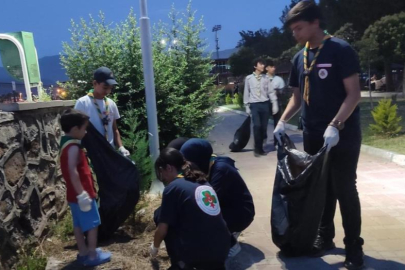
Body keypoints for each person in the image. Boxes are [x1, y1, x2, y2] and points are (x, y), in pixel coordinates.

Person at [274, 1, 364, 269]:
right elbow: (298, 98)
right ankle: (325, 237)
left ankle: (353, 249)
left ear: (315, 23)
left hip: (342, 134)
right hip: (313, 134)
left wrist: (335, 125)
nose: (295, 33)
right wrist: (281, 121)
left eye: (299, 27)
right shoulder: (297, 58)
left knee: (345, 189)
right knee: (321, 190)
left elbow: (354, 94)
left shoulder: (340, 50)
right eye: (292, 29)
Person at [151, 148, 231, 270]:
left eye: (162, 171)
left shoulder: (173, 188)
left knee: (160, 214)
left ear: (169, 168)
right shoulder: (202, 180)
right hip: (223, 247)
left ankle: (182, 264)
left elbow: (162, 230)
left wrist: (155, 247)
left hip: (201, 253)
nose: (163, 177)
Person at [180, 138, 255, 257]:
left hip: (241, 214)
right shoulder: (210, 164)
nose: (187, 165)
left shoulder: (220, 170)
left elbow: (209, 202)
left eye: (188, 162)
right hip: (229, 208)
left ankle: (231, 243)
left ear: (198, 159)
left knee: (205, 215)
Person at [59, 109, 111, 267]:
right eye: (84, 128)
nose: (86, 131)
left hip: (72, 194)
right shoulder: (74, 147)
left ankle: (83, 252)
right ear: (75, 129)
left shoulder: (65, 143)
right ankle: (92, 255)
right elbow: (72, 170)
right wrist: (82, 193)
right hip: (83, 194)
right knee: (93, 224)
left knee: (78, 224)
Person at [74, 67, 130, 157]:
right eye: (105, 87)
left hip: (109, 152)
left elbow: (114, 129)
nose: (108, 91)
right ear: (95, 83)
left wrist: (121, 147)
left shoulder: (111, 104)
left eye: (111, 88)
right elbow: (76, 129)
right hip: (91, 153)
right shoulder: (82, 103)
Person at [243, 58, 270, 156]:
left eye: (263, 64)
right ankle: (257, 149)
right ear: (255, 66)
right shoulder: (249, 78)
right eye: (261, 64)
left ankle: (261, 148)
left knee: (263, 127)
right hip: (254, 105)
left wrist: (274, 103)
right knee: (257, 126)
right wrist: (246, 106)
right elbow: (246, 92)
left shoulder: (266, 78)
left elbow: (270, 92)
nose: (263, 66)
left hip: (265, 104)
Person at [265, 59, 286, 145]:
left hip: (276, 103)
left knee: (277, 122)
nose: (274, 68)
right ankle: (263, 141)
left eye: (274, 66)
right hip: (265, 103)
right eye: (271, 67)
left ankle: (277, 142)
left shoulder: (279, 79)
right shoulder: (262, 79)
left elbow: (282, 92)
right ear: (266, 68)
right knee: (263, 123)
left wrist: (278, 92)